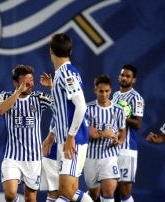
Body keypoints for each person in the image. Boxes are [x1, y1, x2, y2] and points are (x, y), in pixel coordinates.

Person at [0, 65, 53, 202]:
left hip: (33, 158)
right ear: (16, 83)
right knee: (10, 195)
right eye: (25, 82)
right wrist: (17, 93)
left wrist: (52, 87)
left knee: (30, 197)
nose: (30, 84)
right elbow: (0, 110)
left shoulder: (39, 98)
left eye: (31, 80)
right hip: (12, 157)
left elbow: (62, 105)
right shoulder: (6, 95)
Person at [48, 33, 90, 202]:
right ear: (71, 51)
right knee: (71, 192)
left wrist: (71, 136)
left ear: (50, 50)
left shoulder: (67, 74)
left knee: (66, 191)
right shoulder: (61, 73)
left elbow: (81, 105)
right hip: (64, 139)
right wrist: (51, 135)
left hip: (74, 139)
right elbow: (61, 110)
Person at [84, 75, 127, 202]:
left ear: (111, 91)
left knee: (108, 192)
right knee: (93, 194)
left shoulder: (119, 110)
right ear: (95, 90)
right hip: (91, 156)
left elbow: (122, 130)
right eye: (101, 91)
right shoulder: (87, 109)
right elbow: (87, 133)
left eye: (107, 91)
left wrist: (120, 141)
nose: (104, 94)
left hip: (110, 156)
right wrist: (104, 134)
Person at [111, 64, 145, 202]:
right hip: (112, 148)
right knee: (111, 189)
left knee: (124, 192)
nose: (124, 78)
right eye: (122, 75)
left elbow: (138, 124)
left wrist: (121, 117)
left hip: (127, 149)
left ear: (134, 80)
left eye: (128, 76)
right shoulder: (115, 95)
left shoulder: (137, 98)